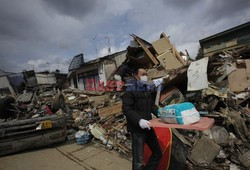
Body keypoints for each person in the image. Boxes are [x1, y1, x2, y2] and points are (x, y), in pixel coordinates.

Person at [122, 68, 162, 170]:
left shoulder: (146, 89)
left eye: (146, 74)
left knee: (157, 154)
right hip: (137, 129)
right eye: (143, 74)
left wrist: (161, 113)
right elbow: (126, 109)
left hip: (148, 126)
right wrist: (139, 120)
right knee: (138, 162)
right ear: (136, 75)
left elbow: (152, 106)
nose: (145, 76)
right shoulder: (130, 90)